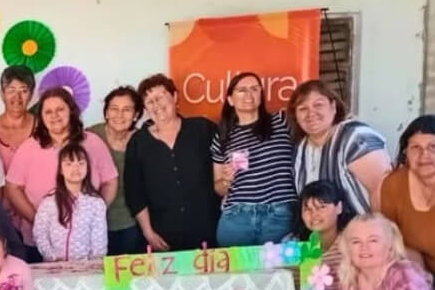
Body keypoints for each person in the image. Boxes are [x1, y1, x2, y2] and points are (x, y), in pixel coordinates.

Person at [6, 88, 117, 256]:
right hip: (40, 243)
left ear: (71, 111)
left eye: (60, 109)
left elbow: (110, 181)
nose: (54, 115)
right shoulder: (30, 147)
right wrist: (39, 221)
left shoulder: (92, 143)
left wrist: (95, 212)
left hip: (84, 243)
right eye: (48, 112)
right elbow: (13, 188)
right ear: (41, 117)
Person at [125, 74, 220, 251]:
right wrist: (148, 233)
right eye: (150, 101)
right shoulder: (138, 143)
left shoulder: (202, 129)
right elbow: (134, 193)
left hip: (208, 232)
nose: (157, 105)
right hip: (162, 237)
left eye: (160, 97)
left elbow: (223, 167)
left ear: (175, 97)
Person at [380, 115, 435, 290]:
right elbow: (395, 240)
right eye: (416, 148)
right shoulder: (393, 184)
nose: (424, 155)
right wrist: (422, 286)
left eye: (433, 147)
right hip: (430, 272)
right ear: (405, 151)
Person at [211, 73, 298, 246]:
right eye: (242, 90)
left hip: (280, 213)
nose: (249, 94)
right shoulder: (222, 135)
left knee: (279, 272)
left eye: (254, 89)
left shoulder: (281, 121)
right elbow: (218, 188)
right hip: (237, 216)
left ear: (261, 94)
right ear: (230, 99)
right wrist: (227, 180)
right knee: (236, 272)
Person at [290, 79, 391, 215]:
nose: (311, 113)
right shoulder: (300, 149)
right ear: (295, 115)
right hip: (324, 235)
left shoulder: (356, 137)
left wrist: (380, 230)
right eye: (303, 108)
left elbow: (382, 189)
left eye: (318, 105)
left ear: (333, 107)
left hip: (365, 231)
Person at [89, 86, 145, 255]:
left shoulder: (143, 140)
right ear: (106, 113)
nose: (119, 115)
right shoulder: (90, 137)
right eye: (114, 109)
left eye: (127, 110)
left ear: (136, 115)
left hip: (132, 223)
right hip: (94, 224)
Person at [32, 143, 107, 262]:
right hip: (54, 268)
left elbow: (99, 242)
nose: (76, 168)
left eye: (81, 163)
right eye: (69, 164)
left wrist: (93, 265)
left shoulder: (96, 203)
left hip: (85, 270)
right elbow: (40, 233)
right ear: (61, 170)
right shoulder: (49, 202)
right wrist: (53, 257)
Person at [0, 66, 37, 172]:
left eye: (23, 91)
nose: (17, 97)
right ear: (2, 94)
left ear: (31, 95)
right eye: (11, 90)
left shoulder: (42, 127)